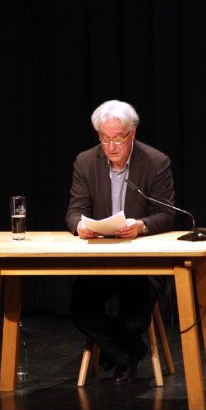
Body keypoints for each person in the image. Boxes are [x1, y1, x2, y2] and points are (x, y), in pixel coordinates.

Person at [65, 99, 176, 382]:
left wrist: (141, 226)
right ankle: (129, 353)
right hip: (101, 260)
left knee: (133, 319)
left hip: (142, 263)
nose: (111, 146)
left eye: (118, 138)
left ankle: (117, 351)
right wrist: (81, 226)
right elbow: (75, 211)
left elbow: (166, 214)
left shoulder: (156, 162)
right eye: (105, 138)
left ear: (132, 134)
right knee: (81, 310)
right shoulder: (85, 162)